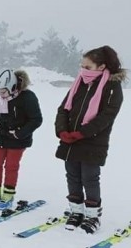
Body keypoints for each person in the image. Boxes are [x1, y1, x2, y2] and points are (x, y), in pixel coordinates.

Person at [54, 45, 126, 234]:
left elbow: (107, 116)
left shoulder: (111, 87)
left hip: (93, 140)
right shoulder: (79, 83)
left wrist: (82, 133)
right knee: (72, 175)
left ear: (101, 67)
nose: (83, 70)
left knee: (90, 178)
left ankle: (92, 216)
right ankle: (76, 211)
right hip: (70, 140)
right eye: (82, 66)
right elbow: (63, 108)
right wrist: (62, 131)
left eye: (88, 66)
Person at [0, 69, 42, 207]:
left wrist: (19, 133)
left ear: (12, 87)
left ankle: (8, 196)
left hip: (18, 139)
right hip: (0, 136)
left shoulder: (28, 97)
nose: (0, 95)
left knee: (11, 166)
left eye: (3, 92)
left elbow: (36, 119)